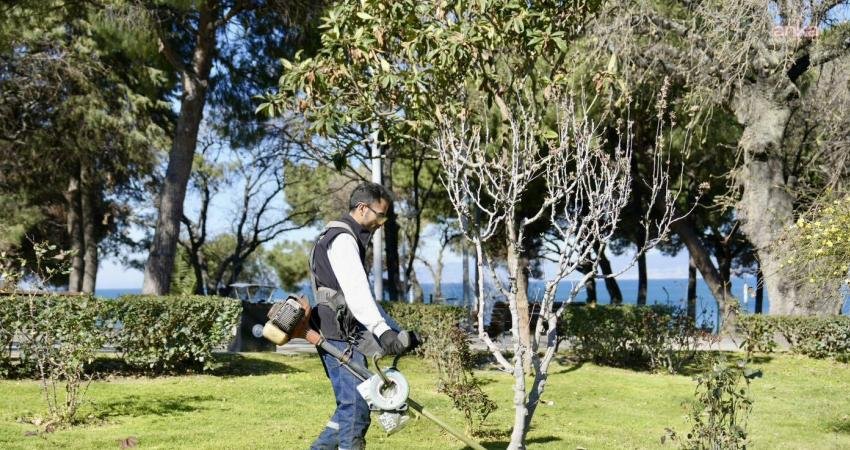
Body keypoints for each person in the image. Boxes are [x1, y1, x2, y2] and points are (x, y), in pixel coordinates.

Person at [309, 182, 418, 450]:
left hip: (340, 334)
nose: (382, 223)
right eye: (380, 215)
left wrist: (394, 330)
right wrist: (383, 332)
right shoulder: (343, 239)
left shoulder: (340, 236)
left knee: (351, 406)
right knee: (355, 408)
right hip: (338, 335)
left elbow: (362, 296)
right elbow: (356, 294)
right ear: (362, 208)